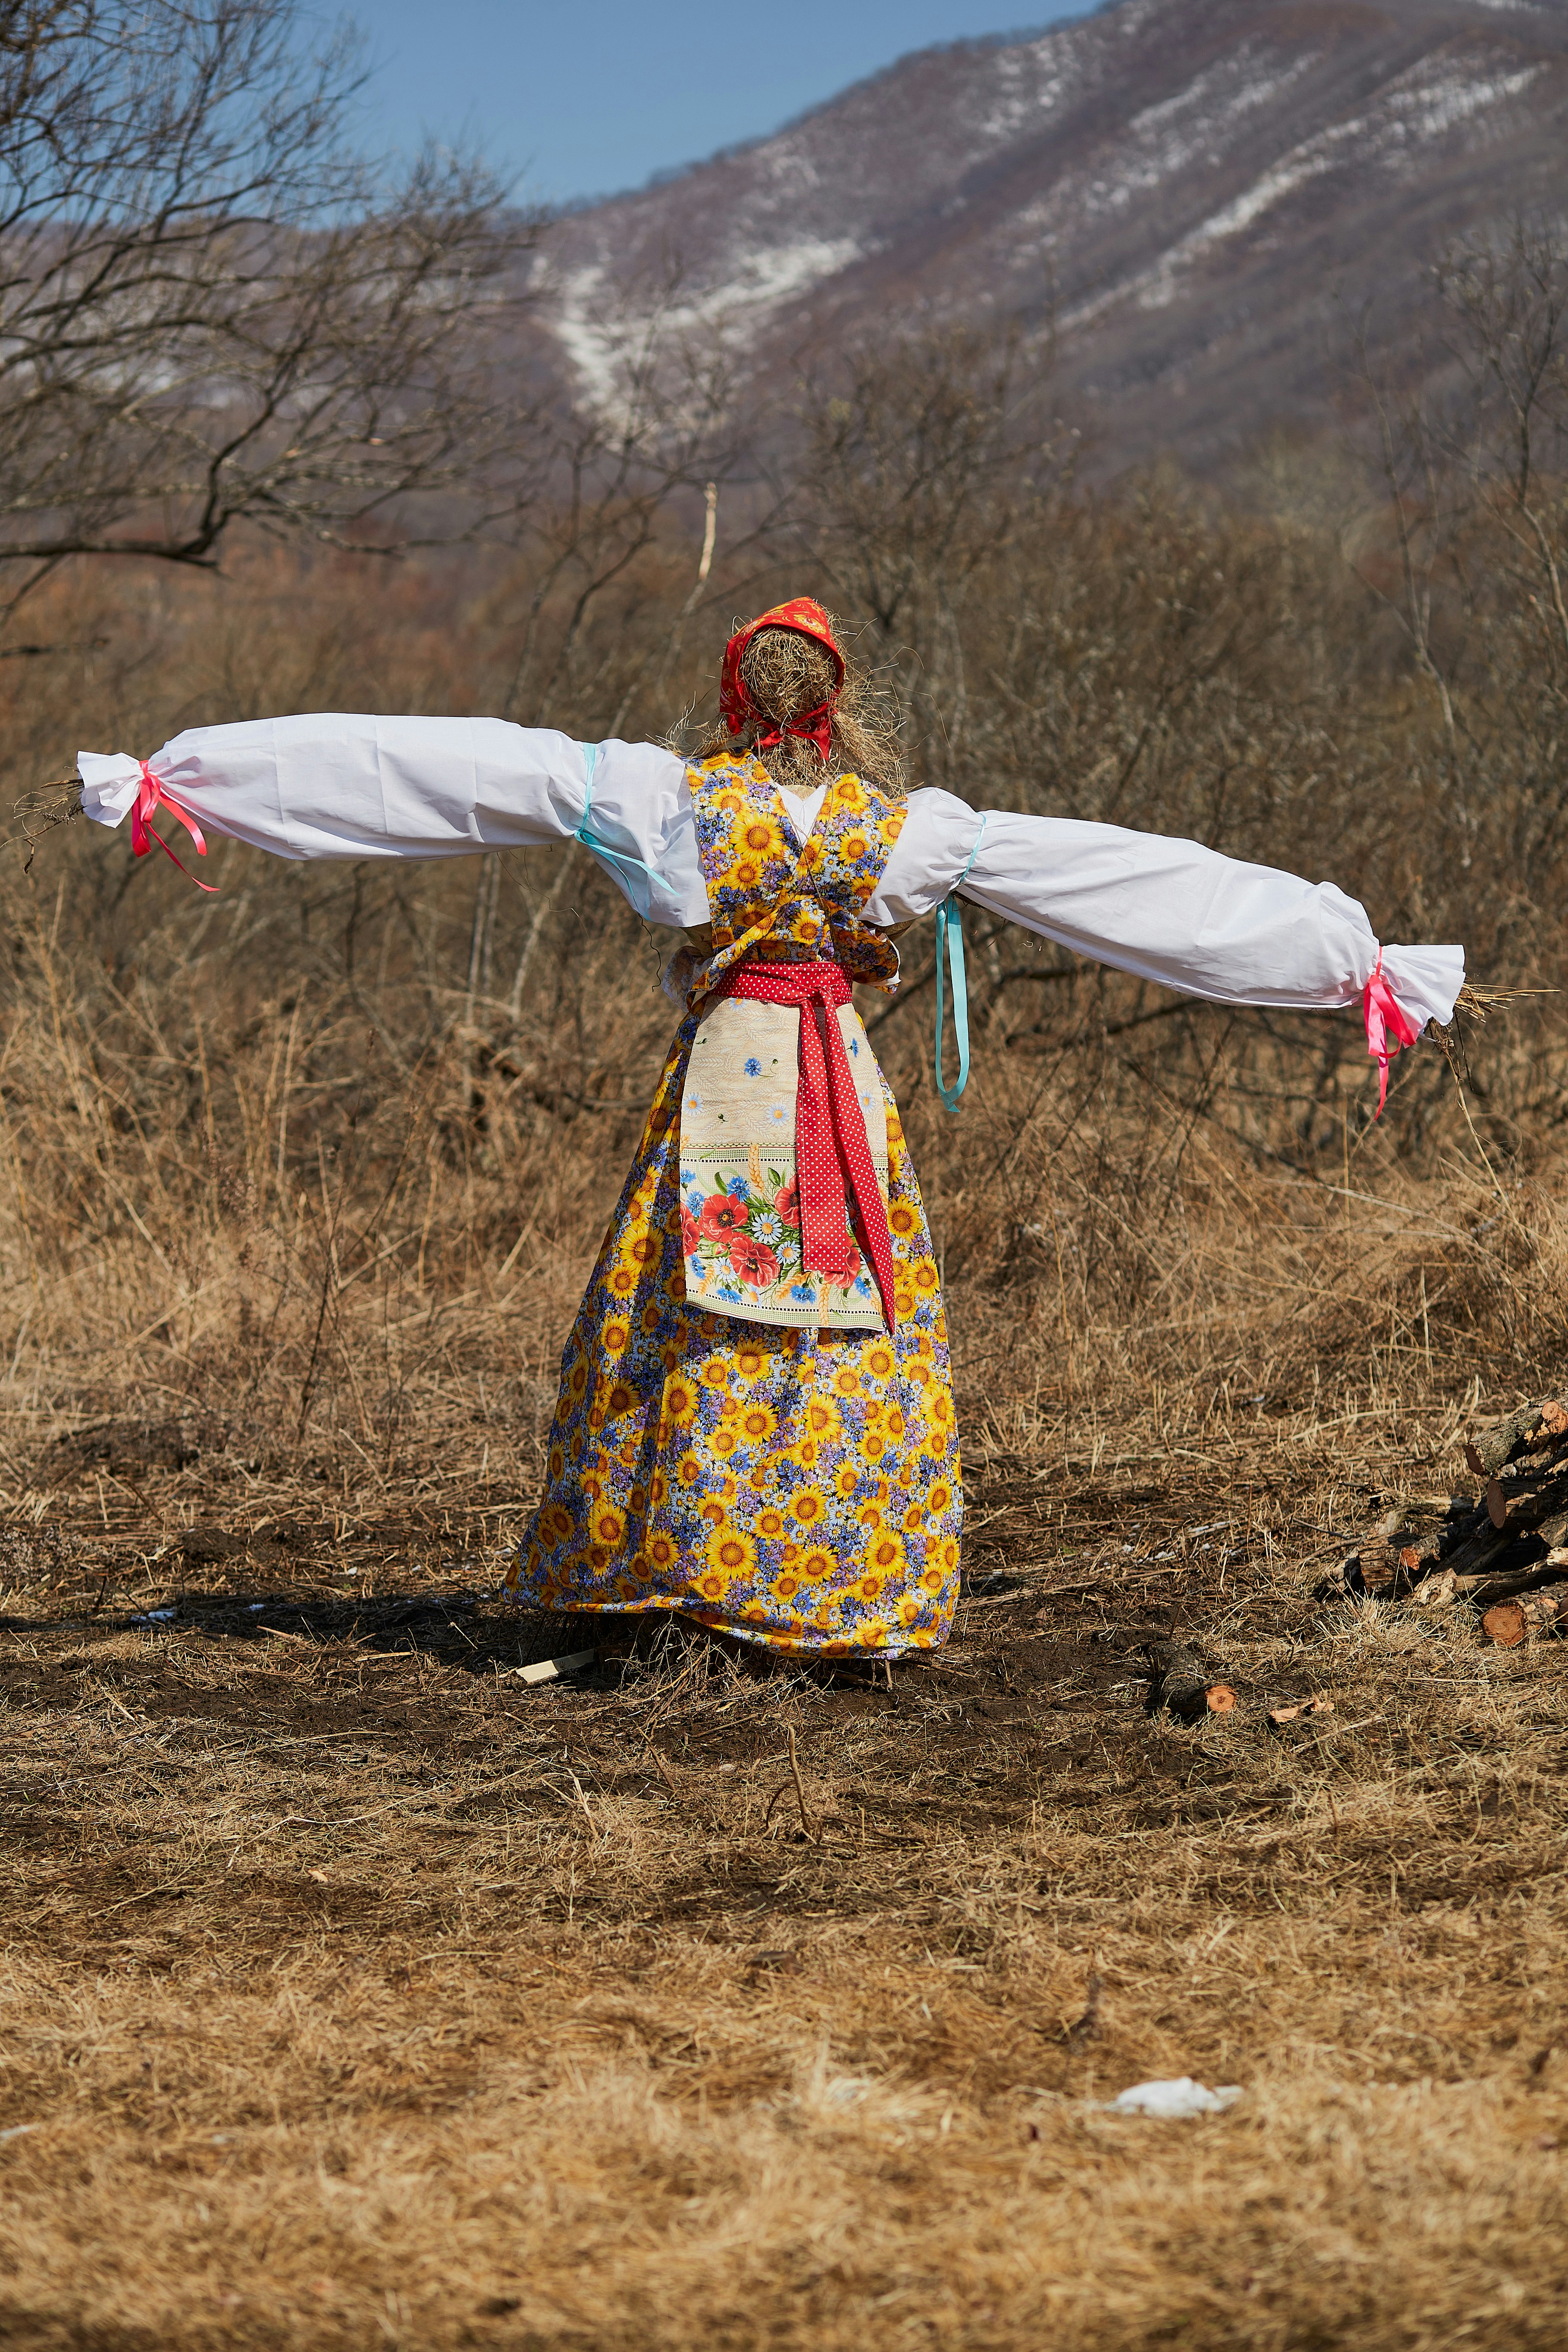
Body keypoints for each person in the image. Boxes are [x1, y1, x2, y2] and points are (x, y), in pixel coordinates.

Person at [76, 597, 1464, 1659]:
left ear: (736, 698)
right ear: (835, 703)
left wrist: (191, 776)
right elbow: (1130, 882)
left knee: (688, 1298)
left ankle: (669, 1569)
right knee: (845, 1299)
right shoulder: (901, 829)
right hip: (836, 1077)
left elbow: (434, 770)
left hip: (731, 1066)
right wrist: (1349, 958)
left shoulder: (671, 801)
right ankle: (833, 1581)